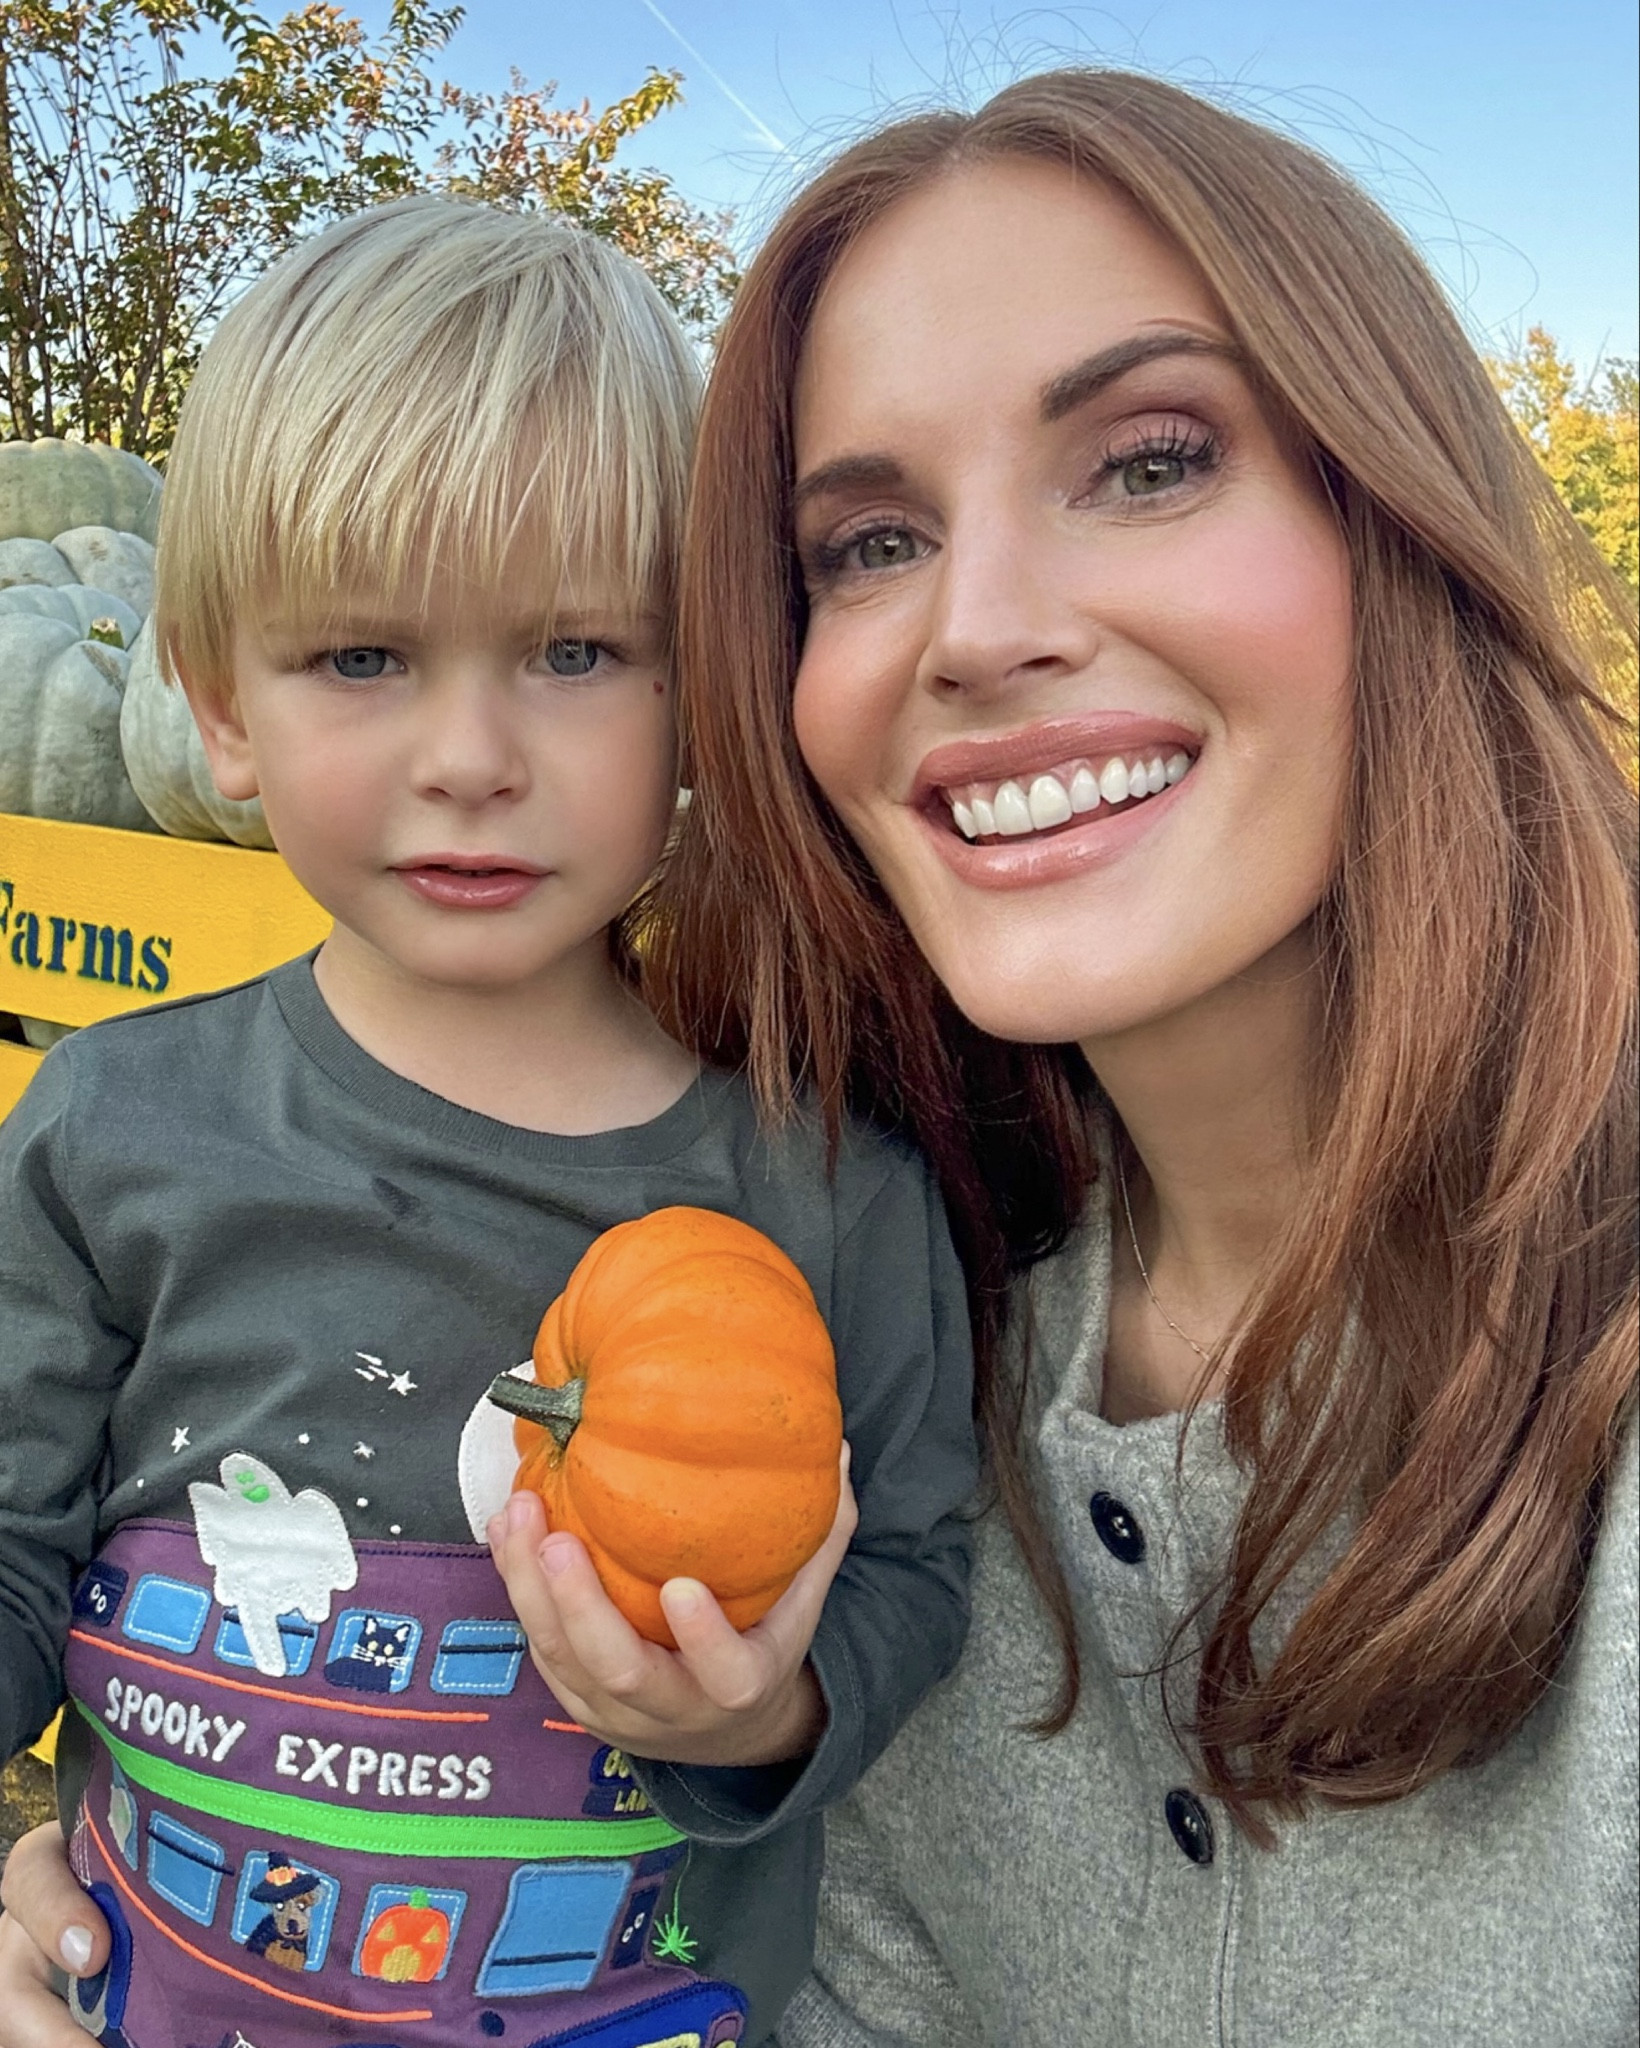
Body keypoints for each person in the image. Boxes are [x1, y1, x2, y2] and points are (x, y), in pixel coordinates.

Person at [633, 69, 1632, 2045]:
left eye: (1151, 458)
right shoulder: (901, 1366)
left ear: (1395, 513)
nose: (974, 628)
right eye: (866, 540)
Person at [0, 196, 975, 2048]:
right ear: (218, 706)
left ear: (704, 696)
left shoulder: (822, 1182)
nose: (472, 754)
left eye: (577, 654)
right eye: (362, 659)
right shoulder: (118, 1127)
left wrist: (764, 1712)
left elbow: (918, 1570)